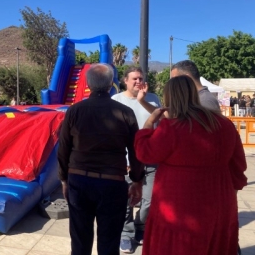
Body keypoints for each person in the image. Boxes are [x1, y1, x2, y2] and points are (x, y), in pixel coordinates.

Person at [134, 75, 247, 255]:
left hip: (178, 203)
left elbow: (144, 152)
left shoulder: (172, 128)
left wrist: (148, 124)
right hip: (219, 200)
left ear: (169, 97)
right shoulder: (224, 124)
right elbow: (238, 165)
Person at [58, 63, 144, 255]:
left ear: (88, 84)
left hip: (79, 181)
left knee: (80, 242)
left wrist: (64, 179)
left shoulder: (74, 111)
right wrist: (137, 181)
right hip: (112, 184)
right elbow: (136, 150)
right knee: (109, 243)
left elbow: (64, 148)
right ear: (111, 84)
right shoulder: (125, 112)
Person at [111, 66, 161, 253]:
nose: (139, 82)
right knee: (125, 201)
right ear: (126, 81)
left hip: (151, 159)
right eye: (135, 79)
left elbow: (161, 123)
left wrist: (144, 100)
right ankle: (126, 233)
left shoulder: (154, 99)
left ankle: (141, 227)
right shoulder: (116, 100)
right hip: (125, 160)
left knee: (150, 200)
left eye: (141, 78)